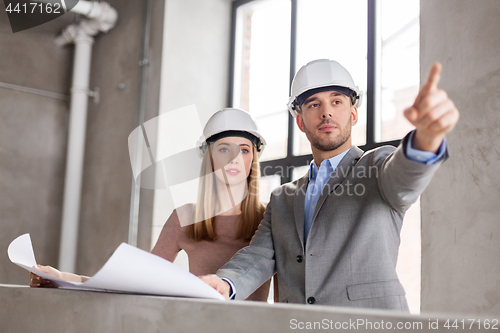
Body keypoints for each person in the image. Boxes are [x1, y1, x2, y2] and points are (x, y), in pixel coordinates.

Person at [200, 59, 460, 311]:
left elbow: (405, 177)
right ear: (301, 121)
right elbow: (258, 255)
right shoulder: (282, 198)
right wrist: (225, 282)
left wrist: (426, 140)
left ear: (353, 113)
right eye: (314, 105)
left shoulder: (377, 168)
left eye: (336, 101)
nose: (326, 112)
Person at [30, 108, 272, 302]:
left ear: (253, 158)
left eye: (244, 150)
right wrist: (64, 279)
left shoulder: (271, 218)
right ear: (208, 156)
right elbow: (138, 282)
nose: (234, 159)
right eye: (223, 149)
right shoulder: (185, 217)